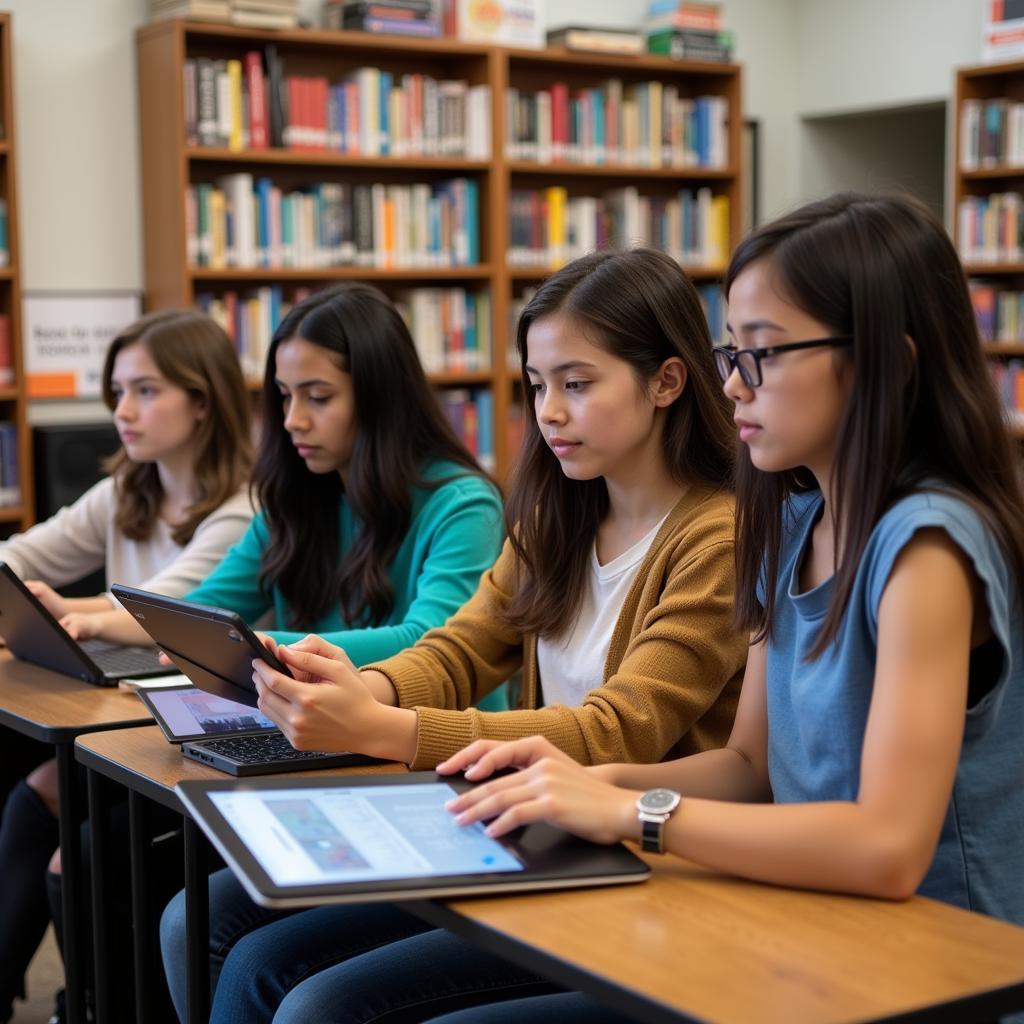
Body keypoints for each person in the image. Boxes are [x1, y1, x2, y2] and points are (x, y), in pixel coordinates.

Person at [426, 192, 1024, 1024]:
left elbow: (887, 849)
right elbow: (750, 771)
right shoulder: (789, 521)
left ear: (889, 361)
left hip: (928, 974)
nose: (734, 386)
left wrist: (630, 808)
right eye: (731, 353)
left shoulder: (926, 549)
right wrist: (572, 783)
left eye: (765, 355)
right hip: (800, 919)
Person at [160, 247, 749, 1023]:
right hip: (530, 828)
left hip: (632, 852)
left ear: (667, 381)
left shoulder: (719, 537)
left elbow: (623, 728)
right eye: (538, 386)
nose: (550, 413)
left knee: (316, 1003)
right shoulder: (558, 515)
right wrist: (361, 691)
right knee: (202, 923)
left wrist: (390, 728)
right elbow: (463, 648)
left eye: (578, 384)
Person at [0, 309, 255, 1024]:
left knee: (56, 831)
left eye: (146, 391)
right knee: (29, 799)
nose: (123, 411)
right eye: (116, 391)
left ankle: (86, 1002)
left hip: (187, 734)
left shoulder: (242, 510)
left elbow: (166, 613)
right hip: (120, 717)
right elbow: (24, 553)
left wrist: (66, 609)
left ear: (202, 401)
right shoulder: (127, 490)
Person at [80, 282, 504, 661]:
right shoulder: (294, 502)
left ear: (381, 400)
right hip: (322, 730)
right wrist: (88, 622)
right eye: (284, 396)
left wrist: (265, 645)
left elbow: (428, 642)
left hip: (435, 740)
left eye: (317, 397)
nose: (292, 420)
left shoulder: (463, 506)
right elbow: (199, 612)